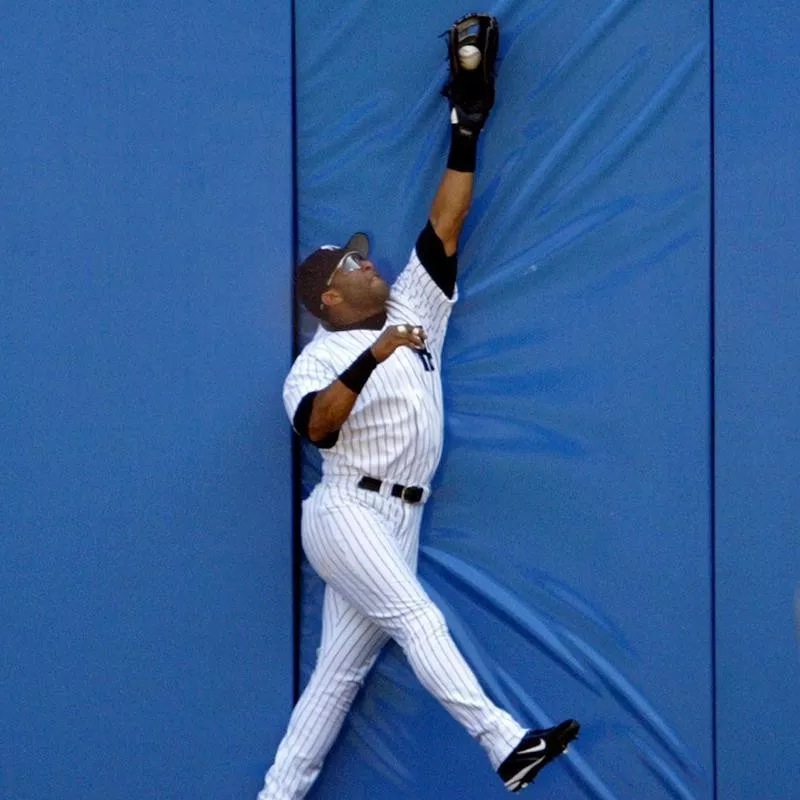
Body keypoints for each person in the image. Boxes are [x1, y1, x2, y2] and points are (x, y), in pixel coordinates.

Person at [257, 14, 579, 799]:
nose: (372, 262)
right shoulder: (321, 356)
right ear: (331, 296)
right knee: (419, 621)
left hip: (403, 518)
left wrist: (466, 127)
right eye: (355, 262)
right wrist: (376, 353)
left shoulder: (413, 306)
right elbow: (317, 428)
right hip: (345, 514)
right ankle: (505, 744)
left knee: (332, 688)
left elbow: (445, 222)